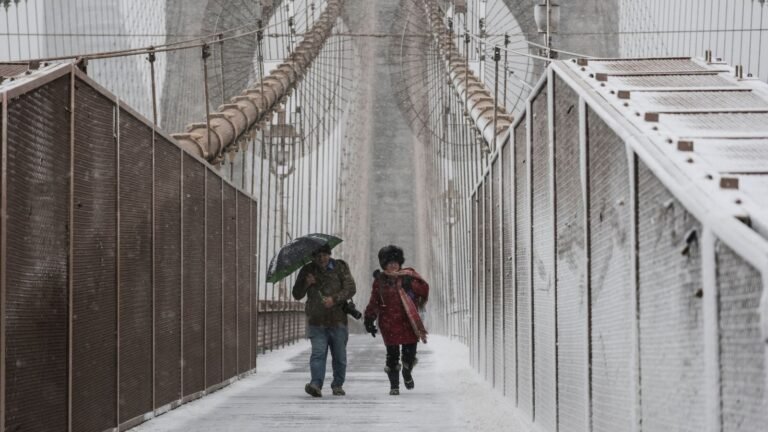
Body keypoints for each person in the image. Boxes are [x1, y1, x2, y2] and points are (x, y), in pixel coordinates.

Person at [364, 245, 429, 395]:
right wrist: (369, 318)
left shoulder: (409, 276)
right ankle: (394, 386)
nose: (393, 265)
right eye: (389, 262)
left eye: (395, 262)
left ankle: (407, 372)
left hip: (408, 323)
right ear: (384, 265)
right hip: (389, 324)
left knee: (409, 355)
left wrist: (411, 283)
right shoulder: (380, 281)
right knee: (392, 356)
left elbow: (424, 289)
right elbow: (374, 302)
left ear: (400, 263)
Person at [292, 244, 356, 397]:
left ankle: (338, 385)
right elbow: (297, 294)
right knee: (318, 353)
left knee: (339, 356)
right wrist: (306, 283)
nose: (321, 258)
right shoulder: (307, 270)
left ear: (329, 254)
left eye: (324, 255)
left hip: (338, 320)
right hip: (316, 320)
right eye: (317, 256)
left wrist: (334, 299)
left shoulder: (340, 267)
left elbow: (351, 288)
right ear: (313, 257)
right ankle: (316, 384)